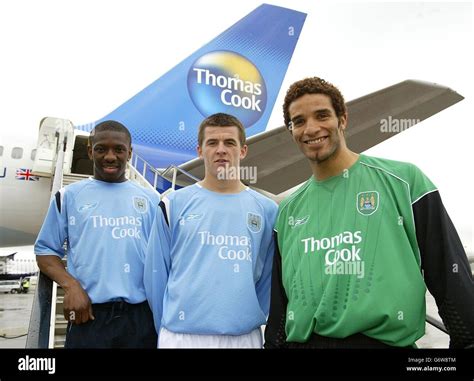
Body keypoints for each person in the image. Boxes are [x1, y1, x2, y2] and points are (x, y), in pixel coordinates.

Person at [264, 77, 474, 348]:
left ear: (343, 119)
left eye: (322, 115)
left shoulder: (405, 181)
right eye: (299, 121)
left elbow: (448, 274)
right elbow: (281, 305)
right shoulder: (288, 211)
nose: (311, 128)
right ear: (291, 130)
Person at [144, 113, 278, 348]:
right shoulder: (173, 204)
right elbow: (156, 275)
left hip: (243, 337)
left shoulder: (267, 209)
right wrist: (165, 326)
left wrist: (244, 314)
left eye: (229, 143)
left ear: (243, 150)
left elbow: (268, 278)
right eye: (212, 143)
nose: (221, 150)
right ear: (200, 150)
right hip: (181, 337)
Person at [35, 120, 159, 348]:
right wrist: (71, 286)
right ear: (90, 151)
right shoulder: (69, 197)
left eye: (119, 149)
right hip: (88, 315)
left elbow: (165, 258)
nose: (110, 156)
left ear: (129, 153)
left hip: (141, 319)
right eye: (101, 149)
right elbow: (45, 252)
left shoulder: (152, 201)